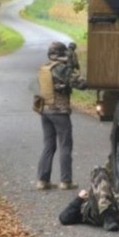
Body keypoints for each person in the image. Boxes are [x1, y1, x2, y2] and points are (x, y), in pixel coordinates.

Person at [35, 41, 86, 190]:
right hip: (59, 111)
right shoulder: (62, 69)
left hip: (45, 111)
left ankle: (42, 180)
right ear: (62, 54)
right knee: (65, 145)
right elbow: (81, 84)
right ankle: (66, 181)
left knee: (48, 146)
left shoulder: (45, 68)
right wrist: (74, 67)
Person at [58, 162, 119, 231]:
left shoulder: (106, 191)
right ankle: (107, 215)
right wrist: (79, 198)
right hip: (100, 213)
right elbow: (63, 218)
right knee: (98, 170)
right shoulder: (83, 207)